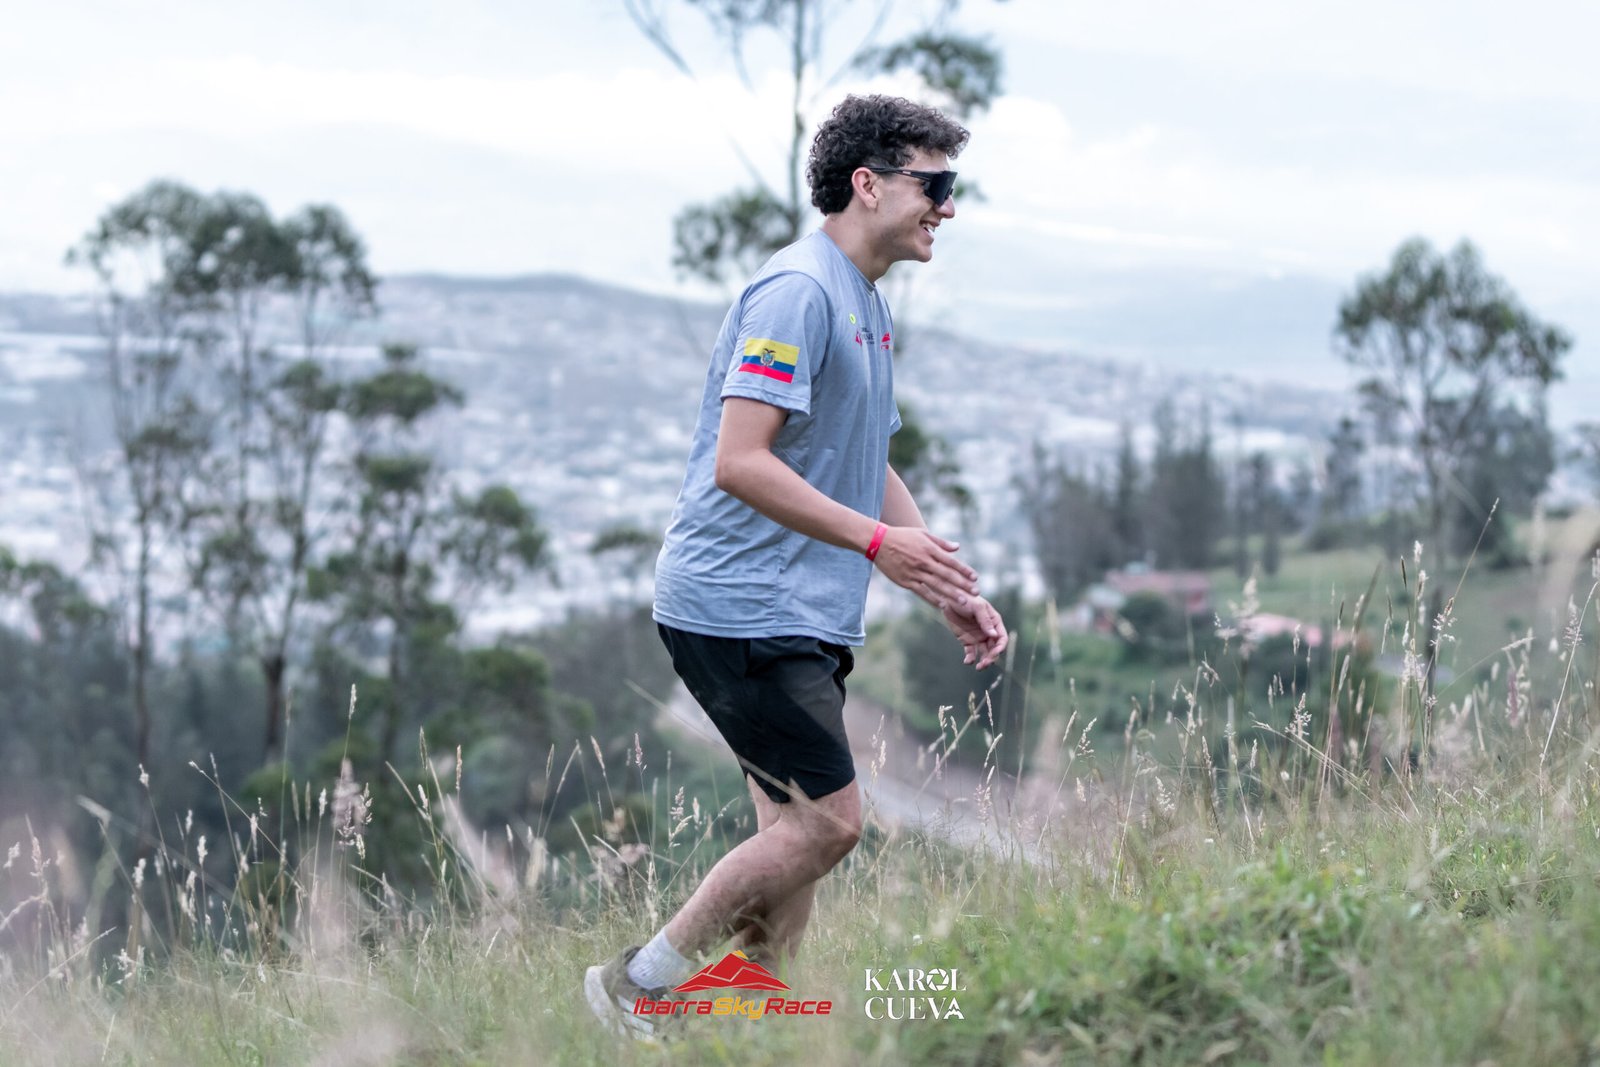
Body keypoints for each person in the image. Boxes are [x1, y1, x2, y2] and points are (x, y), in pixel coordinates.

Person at [586, 93, 1008, 1039]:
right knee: (829, 823)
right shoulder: (799, 293)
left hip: (792, 608)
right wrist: (877, 545)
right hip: (740, 606)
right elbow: (740, 461)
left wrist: (945, 582)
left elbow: (869, 456)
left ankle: (748, 1021)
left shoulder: (863, 301)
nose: (947, 206)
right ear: (869, 185)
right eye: (935, 183)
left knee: (791, 833)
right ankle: (637, 986)